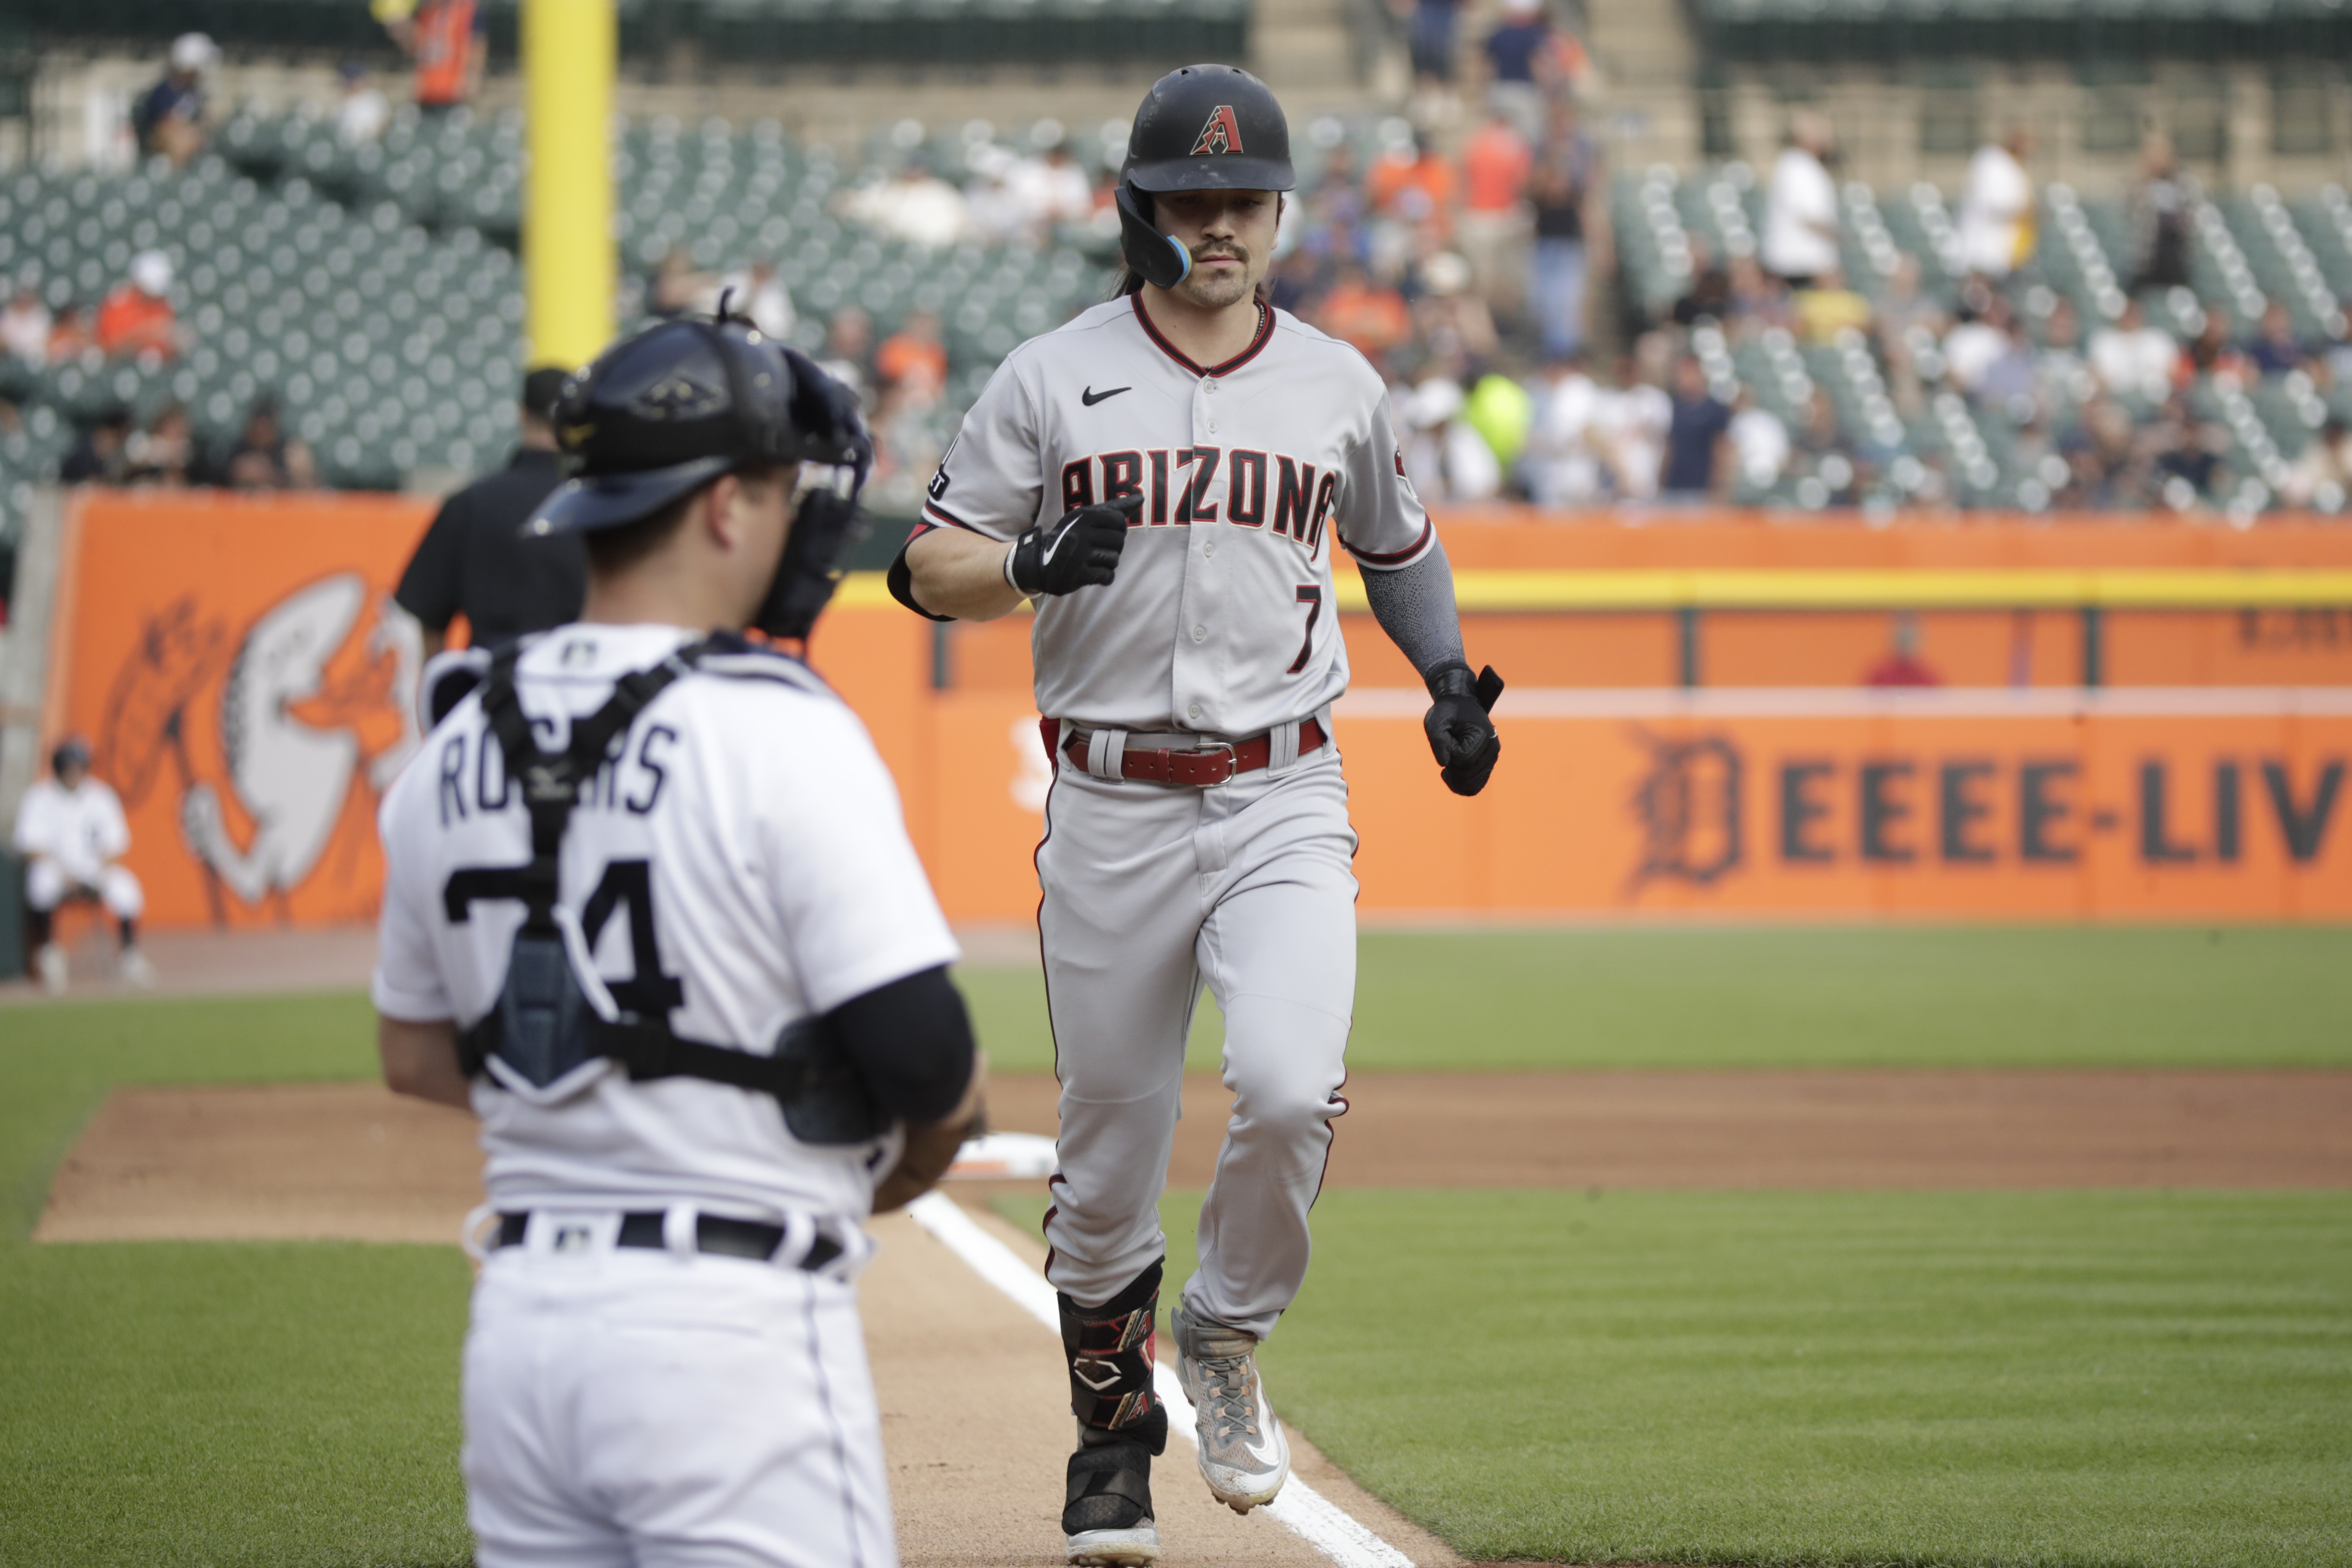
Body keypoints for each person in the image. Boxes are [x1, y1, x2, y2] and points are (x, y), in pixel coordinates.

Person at [887, 64, 1500, 1568]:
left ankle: (1220, 1338)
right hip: (1109, 803)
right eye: (1191, 199)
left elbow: (1397, 542)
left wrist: (1446, 678)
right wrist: (1032, 560)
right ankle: (1111, 1440)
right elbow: (924, 568)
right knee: (1105, 1158)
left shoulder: (1337, 385)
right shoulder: (1051, 374)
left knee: (1291, 1088)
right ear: (1140, 210)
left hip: (1287, 787)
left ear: (1278, 210)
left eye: (1244, 198)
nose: (1219, 223)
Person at [372, 310, 984, 1568]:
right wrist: (894, 1160)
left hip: (523, 1326)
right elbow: (931, 1066)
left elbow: (415, 1056)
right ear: (721, 508)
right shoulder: (776, 726)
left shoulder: (454, 737)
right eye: (775, 487)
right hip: (729, 1329)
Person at [395, 367, 583, 655]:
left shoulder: (471, 503)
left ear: (522, 414)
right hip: (578, 685)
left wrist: (445, 691)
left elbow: (428, 617)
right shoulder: (595, 507)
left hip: (490, 688)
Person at [14, 738, 151, 994]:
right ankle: (48, 953)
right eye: (68, 767)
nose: (74, 773)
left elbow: (116, 844)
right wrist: (65, 875)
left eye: (78, 767)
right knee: (40, 882)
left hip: (94, 868)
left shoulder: (100, 796)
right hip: (56, 867)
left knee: (126, 888)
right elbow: (30, 845)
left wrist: (98, 874)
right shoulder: (40, 796)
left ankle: (130, 956)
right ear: (58, 768)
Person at [1526, 99, 1603, 361]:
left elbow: (1585, 199)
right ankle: (1551, 352)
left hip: (1570, 240)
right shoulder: (1540, 153)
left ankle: (1566, 354)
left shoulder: (1581, 154)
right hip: (1545, 240)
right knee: (1545, 301)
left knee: (1569, 301)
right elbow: (1536, 191)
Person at [1762, 111, 1840, 289]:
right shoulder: (1797, 166)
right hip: (1798, 263)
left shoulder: (1804, 166)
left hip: (1804, 263)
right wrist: (1838, 236)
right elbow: (1809, 217)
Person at [1957, 127, 2035, 280]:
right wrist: (2027, 212)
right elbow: (1994, 205)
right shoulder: (1991, 161)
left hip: (2005, 259)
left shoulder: (2012, 166)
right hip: (1983, 256)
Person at [131, 33, 216, 167]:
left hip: (188, 141)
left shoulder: (195, 93)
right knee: (182, 139)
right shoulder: (164, 92)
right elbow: (164, 125)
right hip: (161, 144)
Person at [1658, 353, 1732, 502]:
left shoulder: (1714, 409)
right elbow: (1669, 447)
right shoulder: (1673, 407)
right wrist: (1661, 481)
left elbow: (1721, 450)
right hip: (1672, 488)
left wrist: (1719, 488)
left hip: (1700, 490)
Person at [2089, 298, 2179, 402]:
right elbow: (2098, 376)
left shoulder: (2158, 338)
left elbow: (2174, 371)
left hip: (2157, 400)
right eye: (2127, 313)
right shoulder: (2104, 340)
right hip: (2116, 399)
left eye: (2134, 313)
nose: (2130, 318)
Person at [97, 251, 179, 360]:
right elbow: (109, 345)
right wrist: (144, 333)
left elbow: (167, 347)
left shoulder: (161, 305)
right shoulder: (119, 302)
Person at [221, 399, 317, 489]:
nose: (261, 433)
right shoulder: (238, 450)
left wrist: (298, 475)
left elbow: (311, 490)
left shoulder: (289, 451)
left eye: (266, 428)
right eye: (258, 428)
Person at [60, 408, 133, 485]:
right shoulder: (83, 453)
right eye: (118, 436)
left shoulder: (110, 457)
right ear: (106, 431)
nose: (118, 442)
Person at [1, 279, 51, 367]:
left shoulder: (41, 314)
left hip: (34, 360)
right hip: (8, 358)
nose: (25, 299)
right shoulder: (8, 312)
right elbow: (3, 341)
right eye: (23, 296)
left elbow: (45, 344)